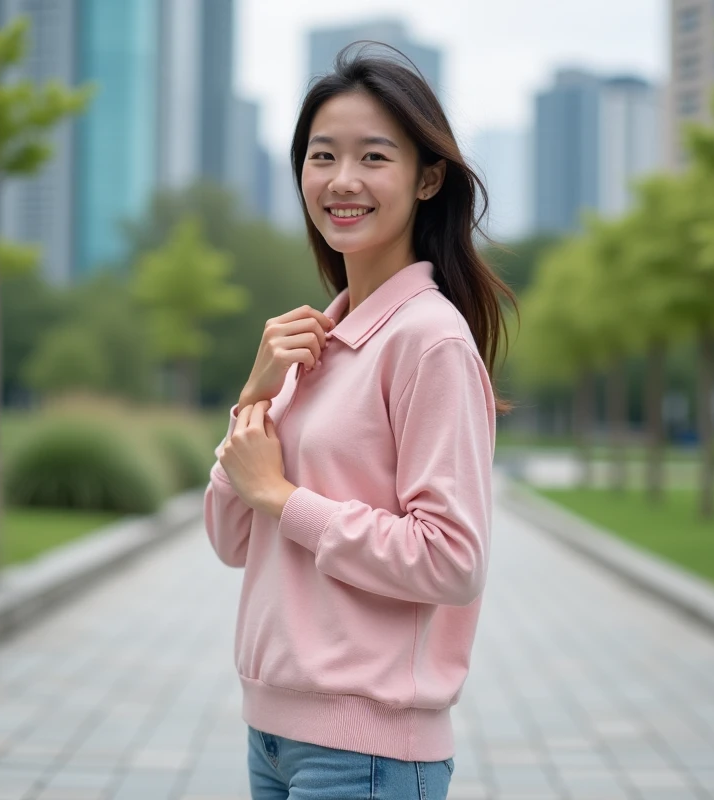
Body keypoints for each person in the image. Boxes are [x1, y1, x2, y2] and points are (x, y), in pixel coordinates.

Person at [203, 42, 518, 799]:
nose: (342, 180)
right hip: (273, 735)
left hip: (366, 752)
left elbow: (452, 560)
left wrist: (284, 498)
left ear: (428, 178)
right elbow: (230, 538)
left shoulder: (429, 341)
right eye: (322, 157)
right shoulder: (314, 343)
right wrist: (253, 396)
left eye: (373, 156)